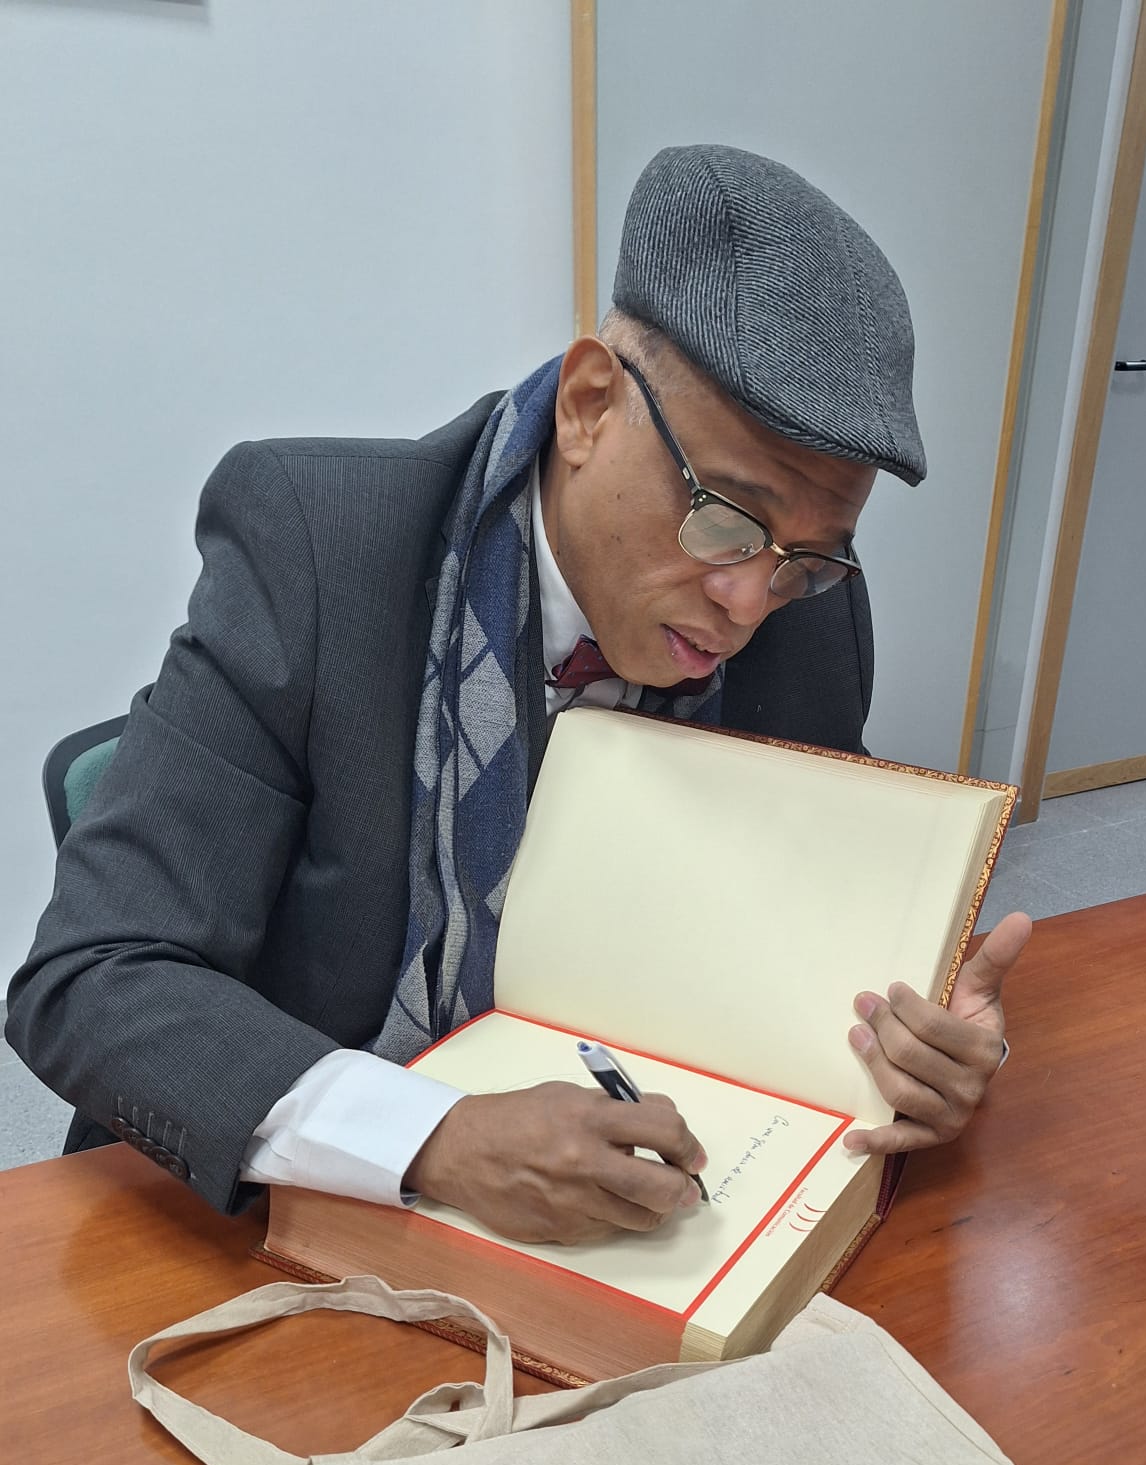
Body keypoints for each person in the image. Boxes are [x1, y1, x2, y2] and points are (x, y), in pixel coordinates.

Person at [7, 144, 1031, 1247]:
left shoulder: (806, 608)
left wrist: (925, 1041)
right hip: (283, 1223)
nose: (747, 599)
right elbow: (91, 975)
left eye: (808, 554)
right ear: (589, 406)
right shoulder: (314, 550)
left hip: (645, 1207)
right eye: (727, 517)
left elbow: (823, 914)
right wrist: (432, 1140)